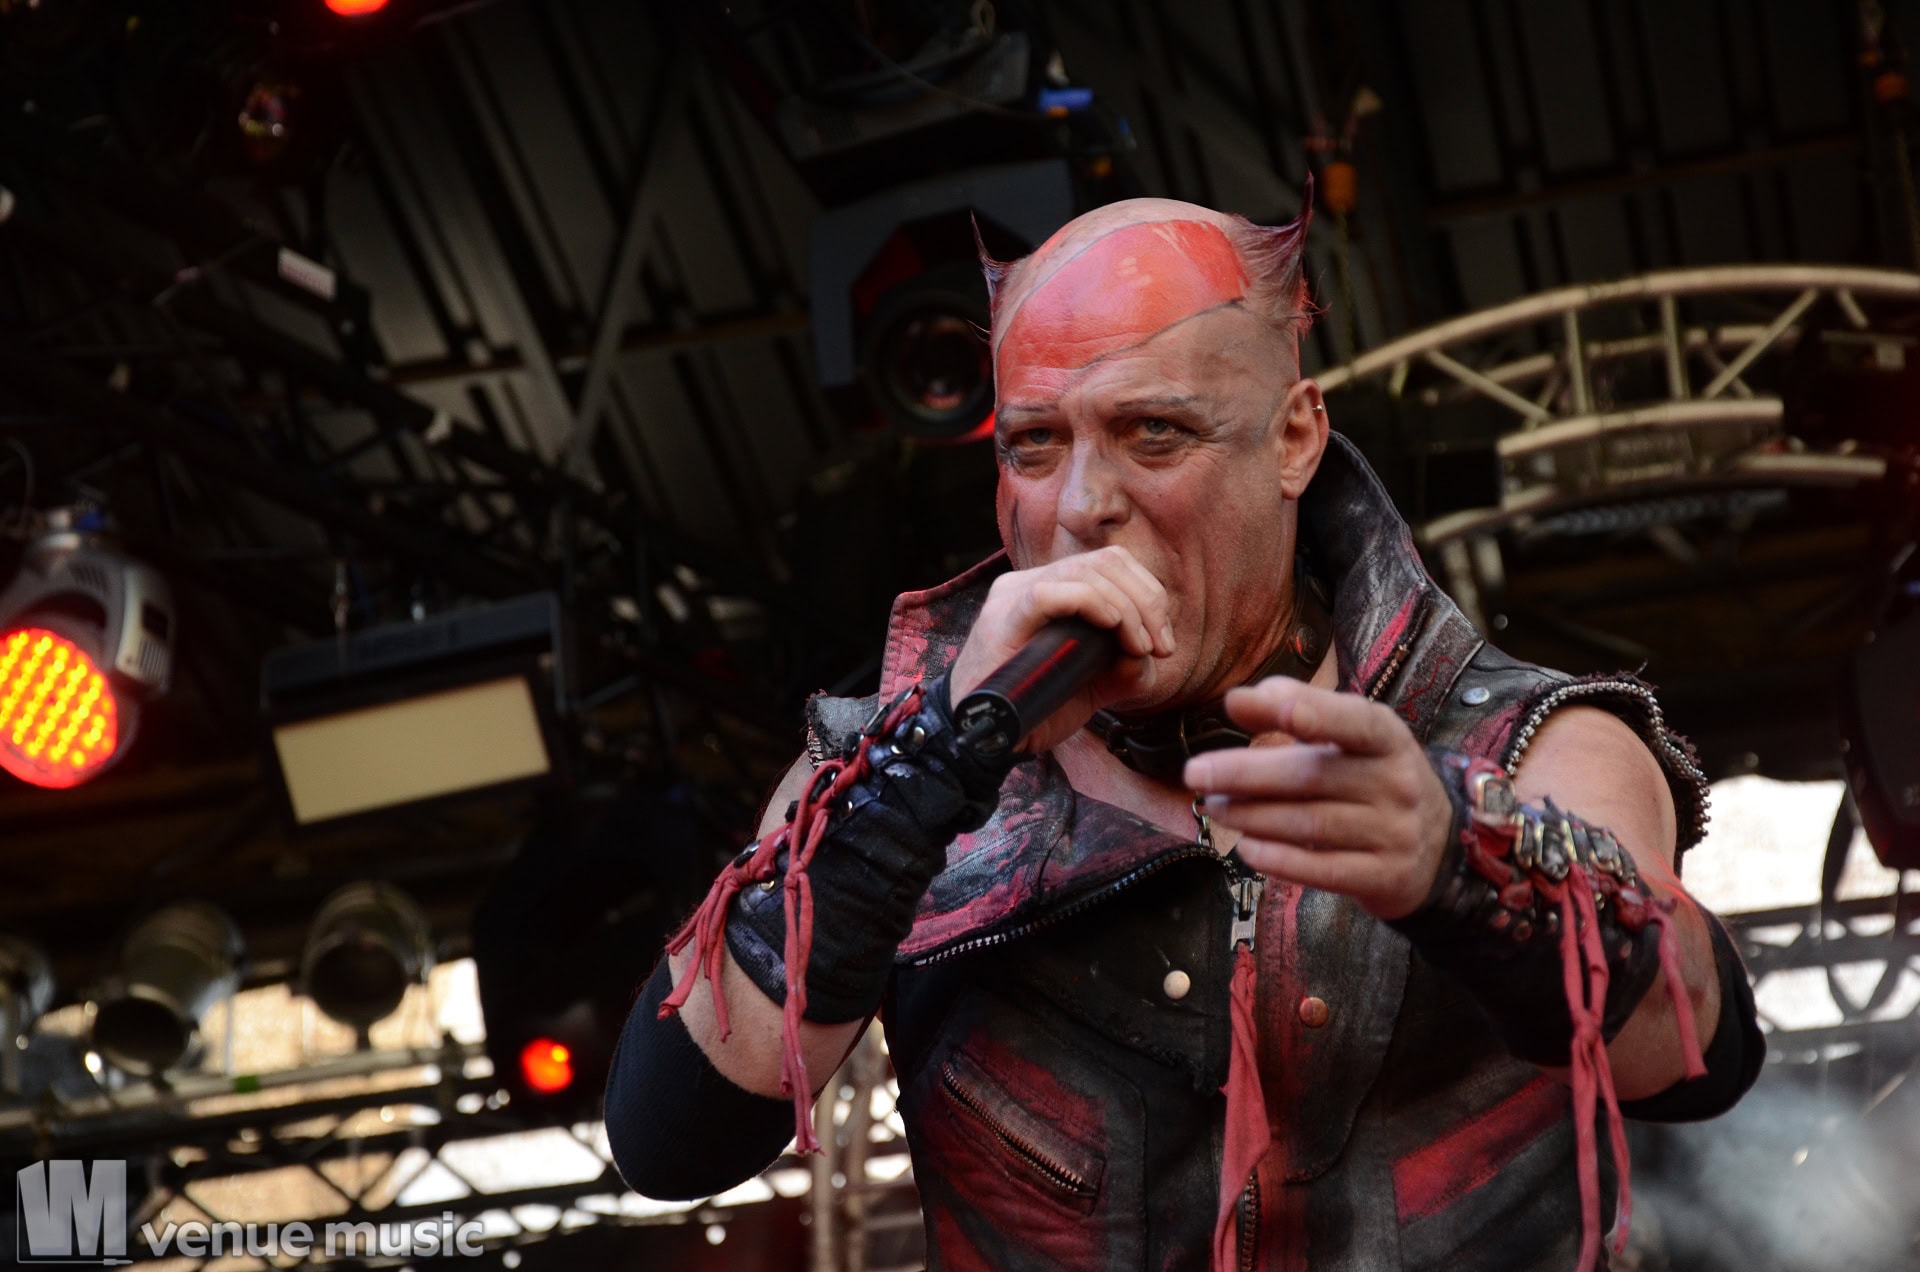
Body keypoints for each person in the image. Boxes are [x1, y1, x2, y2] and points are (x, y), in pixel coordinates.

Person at [604, 197, 1764, 1271]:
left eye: (1154, 433)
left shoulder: (1520, 738)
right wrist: (935, 763)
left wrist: (1458, 858)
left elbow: (1692, 1056)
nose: (1081, 505)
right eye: (1033, 445)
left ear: (1295, 438)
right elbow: (673, 1139)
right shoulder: (885, 767)